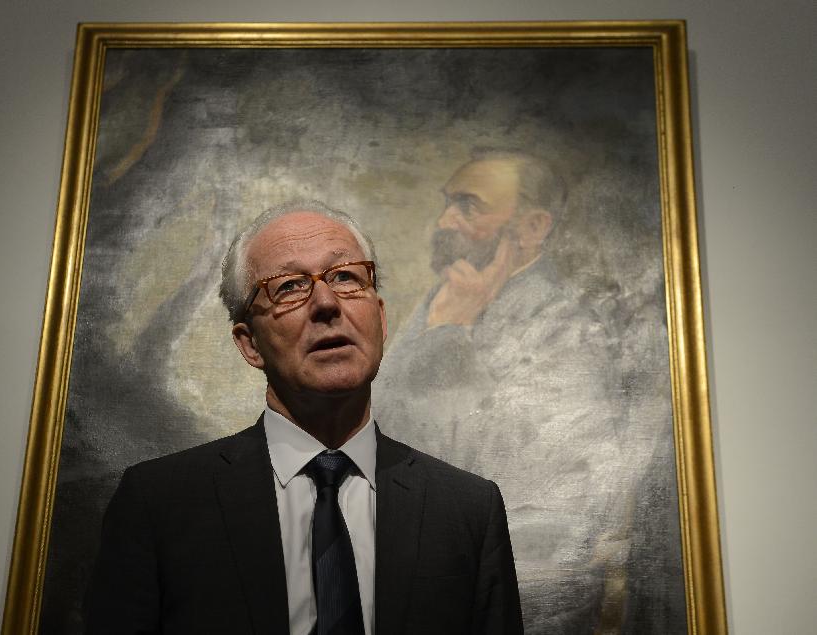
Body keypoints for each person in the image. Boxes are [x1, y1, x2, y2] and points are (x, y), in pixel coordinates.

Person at [83, 201, 523, 634]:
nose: (327, 303)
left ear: (381, 320)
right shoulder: (158, 503)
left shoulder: (467, 510)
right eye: (290, 286)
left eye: (346, 277)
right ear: (250, 344)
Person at [374, 150, 664, 632]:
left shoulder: (567, 331)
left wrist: (448, 339)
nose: (444, 221)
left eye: (468, 206)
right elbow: (376, 426)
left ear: (532, 228)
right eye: (447, 204)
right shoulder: (443, 302)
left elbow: (506, 486)